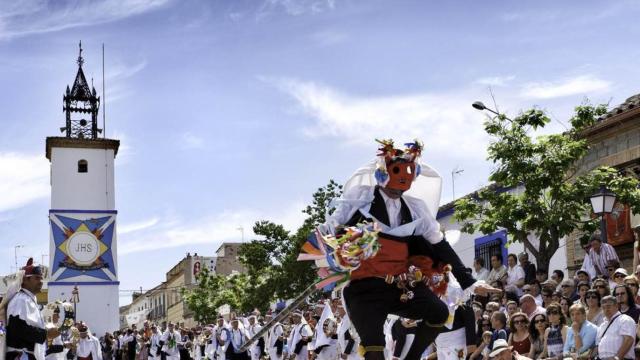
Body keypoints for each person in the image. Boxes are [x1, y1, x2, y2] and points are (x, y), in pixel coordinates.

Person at [317, 139, 498, 360]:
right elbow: (330, 230)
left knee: (439, 313)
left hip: (401, 285)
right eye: (395, 178)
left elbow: (440, 244)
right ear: (383, 173)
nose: (397, 190)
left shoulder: (415, 208)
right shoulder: (361, 199)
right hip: (365, 288)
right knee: (374, 349)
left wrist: (470, 281)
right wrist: (335, 244)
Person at [6, 258, 59, 360]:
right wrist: (45, 334)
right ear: (25, 280)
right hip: (20, 356)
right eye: (37, 278)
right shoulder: (21, 300)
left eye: (41, 278)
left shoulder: (29, 300)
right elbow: (16, 328)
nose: (41, 282)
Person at [594, 295, 635, 360]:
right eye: (603, 307)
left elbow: (629, 340)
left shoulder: (625, 319)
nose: (606, 310)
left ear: (616, 306)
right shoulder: (602, 326)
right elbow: (598, 346)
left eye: (608, 306)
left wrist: (617, 357)